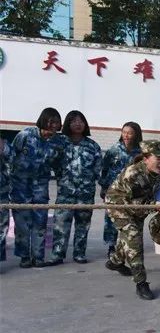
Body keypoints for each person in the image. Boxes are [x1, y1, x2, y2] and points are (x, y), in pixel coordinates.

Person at [104, 140, 160, 300]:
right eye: (158, 158)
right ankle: (141, 283)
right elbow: (135, 204)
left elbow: (158, 194)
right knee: (134, 239)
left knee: (128, 239)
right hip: (119, 204)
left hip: (140, 206)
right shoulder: (133, 174)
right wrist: (158, 206)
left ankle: (115, 262)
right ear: (146, 159)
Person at [10, 107, 66, 268]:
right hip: (21, 185)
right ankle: (24, 257)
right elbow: (11, 156)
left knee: (40, 222)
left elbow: (59, 165)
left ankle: (38, 256)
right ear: (43, 121)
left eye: (56, 123)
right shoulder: (25, 135)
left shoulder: (58, 142)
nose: (53, 127)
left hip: (41, 186)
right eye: (50, 122)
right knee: (22, 223)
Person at [48, 110, 102, 265]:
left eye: (81, 121)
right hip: (65, 193)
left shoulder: (93, 146)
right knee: (60, 225)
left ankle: (79, 254)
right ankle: (57, 255)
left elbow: (98, 169)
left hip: (85, 194)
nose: (78, 124)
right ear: (67, 124)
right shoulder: (60, 142)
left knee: (83, 225)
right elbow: (52, 161)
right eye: (74, 121)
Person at [99, 122, 143, 258]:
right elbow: (104, 169)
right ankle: (111, 246)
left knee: (130, 220)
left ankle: (128, 246)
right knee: (111, 219)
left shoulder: (140, 153)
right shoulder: (114, 150)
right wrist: (104, 188)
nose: (126, 135)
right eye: (124, 132)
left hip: (132, 192)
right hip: (113, 191)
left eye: (130, 133)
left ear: (136, 134)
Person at [0, 138, 10, 262]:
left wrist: (3, 149)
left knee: (1, 227)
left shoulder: (4, 144)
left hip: (1, 192)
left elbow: (13, 163)